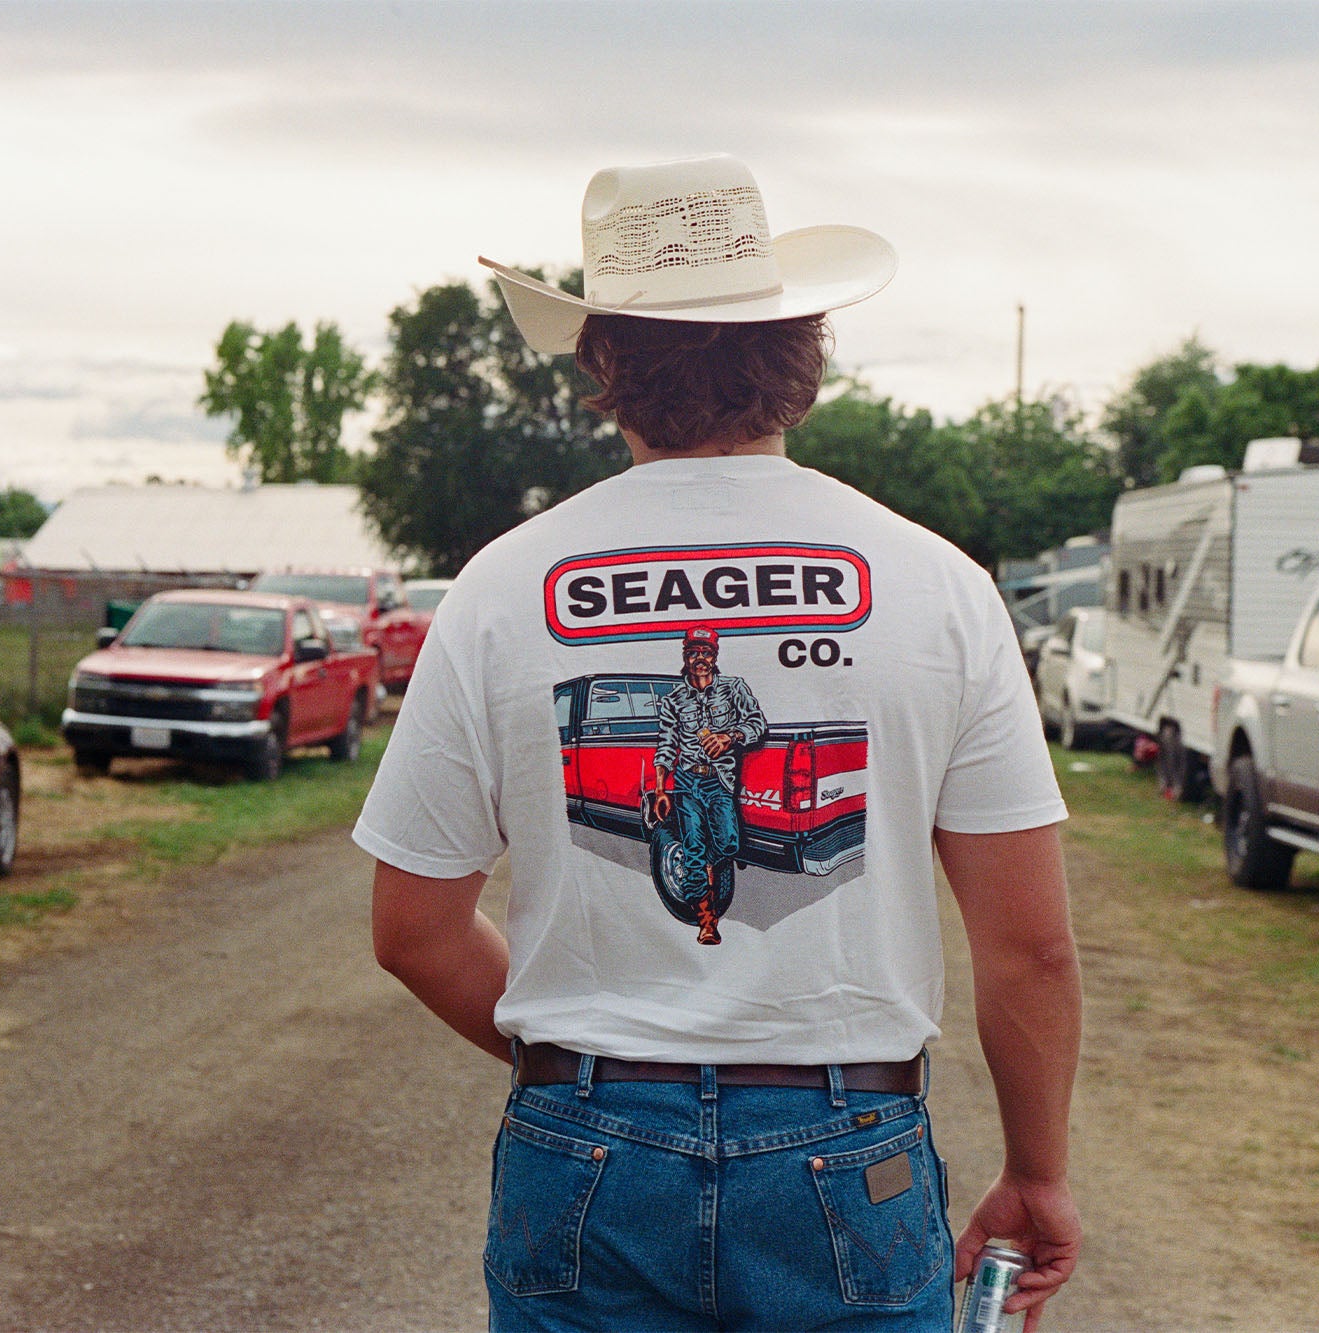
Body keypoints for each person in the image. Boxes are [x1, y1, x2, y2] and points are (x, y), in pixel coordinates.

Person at [357, 153, 1083, 1332]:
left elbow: (413, 931)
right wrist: (1037, 1174)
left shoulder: (499, 587)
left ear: (602, 362)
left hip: (583, 1146)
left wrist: (600, 1086)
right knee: (685, 828)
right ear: (800, 353)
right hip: (852, 1145)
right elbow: (1031, 951)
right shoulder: (936, 584)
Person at [647, 625, 767, 945]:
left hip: (720, 781)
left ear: (715, 656)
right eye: (694, 653)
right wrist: (661, 789)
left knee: (728, 843)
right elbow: (666, 747)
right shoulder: (673, 700)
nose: (700, 659)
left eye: (706, 653)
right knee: (694, 850)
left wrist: (730, 737)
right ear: (685, 655)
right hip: (687, 782)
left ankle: (698, 863)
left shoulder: (733, 688)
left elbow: (757, 724)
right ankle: (706, 922)